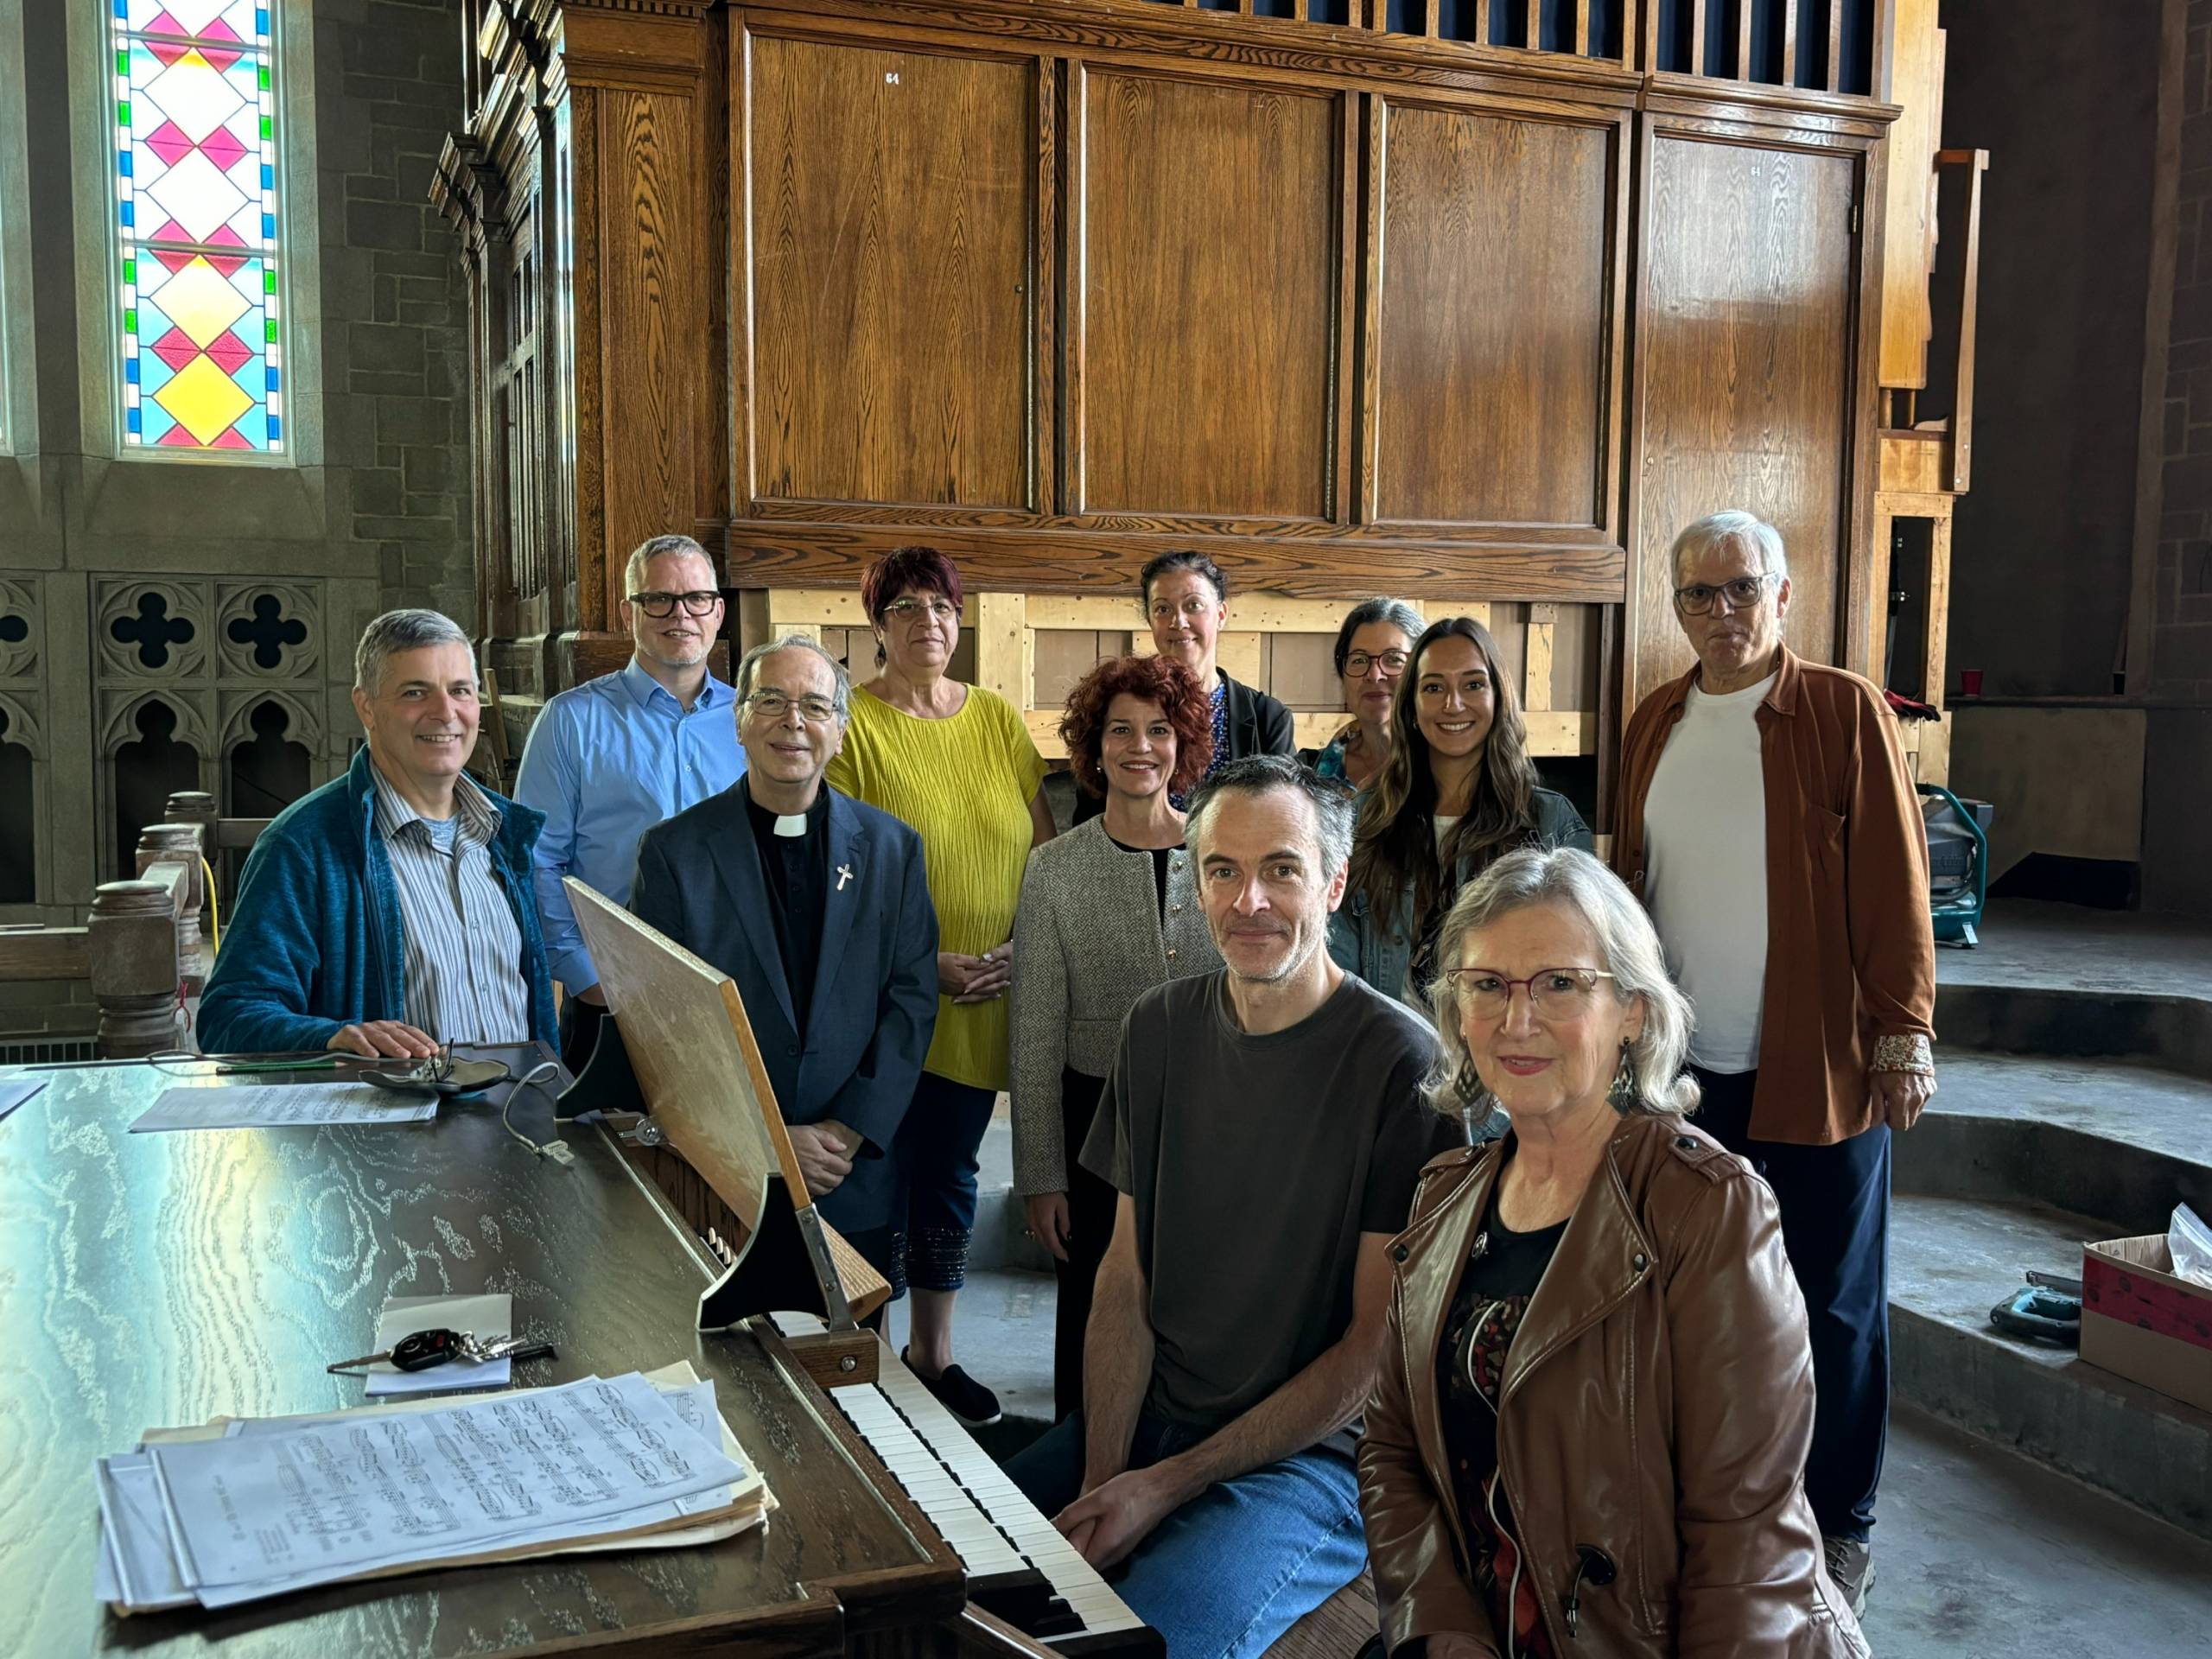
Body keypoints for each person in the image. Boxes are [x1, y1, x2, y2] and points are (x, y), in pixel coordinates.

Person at [1358, 846, 1869, 1659]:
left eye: (1561, 983)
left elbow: (1747, 1543)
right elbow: (1390, 1447)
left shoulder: (1709, 1207)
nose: (1516, 1020)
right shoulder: (1443, 1194)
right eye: (1487, 985)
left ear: (1632, 1010)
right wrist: (1441, 1627)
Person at [1005, 755, 1456, 1659]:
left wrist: (1165, 1485)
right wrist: (1106, 1476)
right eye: (1223, 870)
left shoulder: (1402, 1069)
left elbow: (1369, 1356)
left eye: (1281, 869)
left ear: (1332, 883)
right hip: (1155, 1413)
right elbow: (1125, 1279)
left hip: (1313, 1460)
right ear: (1193, 883)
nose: (1249, 900)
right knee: (940, 1581)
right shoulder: (1156, 1029)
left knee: (1154, 1645)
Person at [1611, 509, 1936, 1615]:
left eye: (1739, 589)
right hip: (1688, 1074)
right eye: (1697, 595)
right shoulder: (1653, 721)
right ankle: (1714, 1504)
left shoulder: (1839, 709)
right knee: (1697, 1302)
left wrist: (1903, 1032)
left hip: (1818, 1070)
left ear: (1782, 595)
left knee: (1833, 1309)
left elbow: (1894, 881)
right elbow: (1630, 897)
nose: (1719, 613)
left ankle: (1838, 1523)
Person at [825, 544, 1055, 1427]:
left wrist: (1019, 946)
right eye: (906, 608)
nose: (928, 623)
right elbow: (842, 880)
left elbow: (1040, 849)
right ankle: (865, 1353)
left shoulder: (995, 720)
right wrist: (922, 964)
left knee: (950, 1176)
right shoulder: (852, 724)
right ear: (877, 626)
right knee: (874, 1180)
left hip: (986, 993)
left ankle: (934, 1354)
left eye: (942, 607)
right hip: (889, 1001)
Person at [628, 637, 937, 1282]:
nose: (792, 722)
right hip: (727, 1168)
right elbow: (665, 1026)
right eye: (771, 701)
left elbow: (911, 1000)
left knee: (855, 1359)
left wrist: (849, 1130)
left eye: (815, 706)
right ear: (738, 721)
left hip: (849, 1167)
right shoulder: (675, 853)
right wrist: (763, 1137)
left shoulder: (892, 850)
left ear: (841, 733)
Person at [1010, 653, 1222, 1421]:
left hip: (1212, 1117)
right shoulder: (1056, 870)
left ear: (1186, 744)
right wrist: (1041, 1175)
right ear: (1093, 749)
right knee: (1095, 1307)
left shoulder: (1220, 853)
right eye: (1120, 730)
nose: (1141, 747)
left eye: (1160, 730)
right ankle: (1082, 1473)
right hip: (1093, 1125)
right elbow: (1034, 1027)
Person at [200, 610, 556, 1058]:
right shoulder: (304, 845)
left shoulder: (504, 835)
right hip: (394, 1121)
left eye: (461, 691)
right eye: (415, 692)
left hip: (517, 1115)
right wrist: (330, 1038)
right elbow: (228, 1017)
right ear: (366, 706)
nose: (445, 712)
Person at [514, 534, 748, 1072]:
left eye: (697, 598)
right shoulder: (571, 721)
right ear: (629, 613)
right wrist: (585, 977)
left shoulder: (751, 721)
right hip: (613, 993)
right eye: (658, 599)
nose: (680, 614)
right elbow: (537, 861)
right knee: (604, 1150)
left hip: (732, 989)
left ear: (717, 611)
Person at [1329, 616, 1590, 1016]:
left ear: (1498, 696)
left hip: (1511, 1051)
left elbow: (1578, 965)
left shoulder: (1550, 821)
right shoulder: (1366, 819)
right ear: (1411, 705)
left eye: (1473, 684)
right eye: (1434, 687)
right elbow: (1339, 969)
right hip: (1394, 1055)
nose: (1453, 704)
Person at [1071, 550, 1294, 825]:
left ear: (1221, 614)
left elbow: (1285, 820)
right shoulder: (1114, 705)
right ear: (1150, 620)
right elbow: (1089, 818)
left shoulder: (1268, 718)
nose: (1178, 622)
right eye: (1163, 609)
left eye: (1193, 605)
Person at [1300, 597, 1426, 790]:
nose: (1374, 675)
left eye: (1393, 659)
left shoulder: (1450, 773)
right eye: (1359, 660)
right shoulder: (1304, 776)